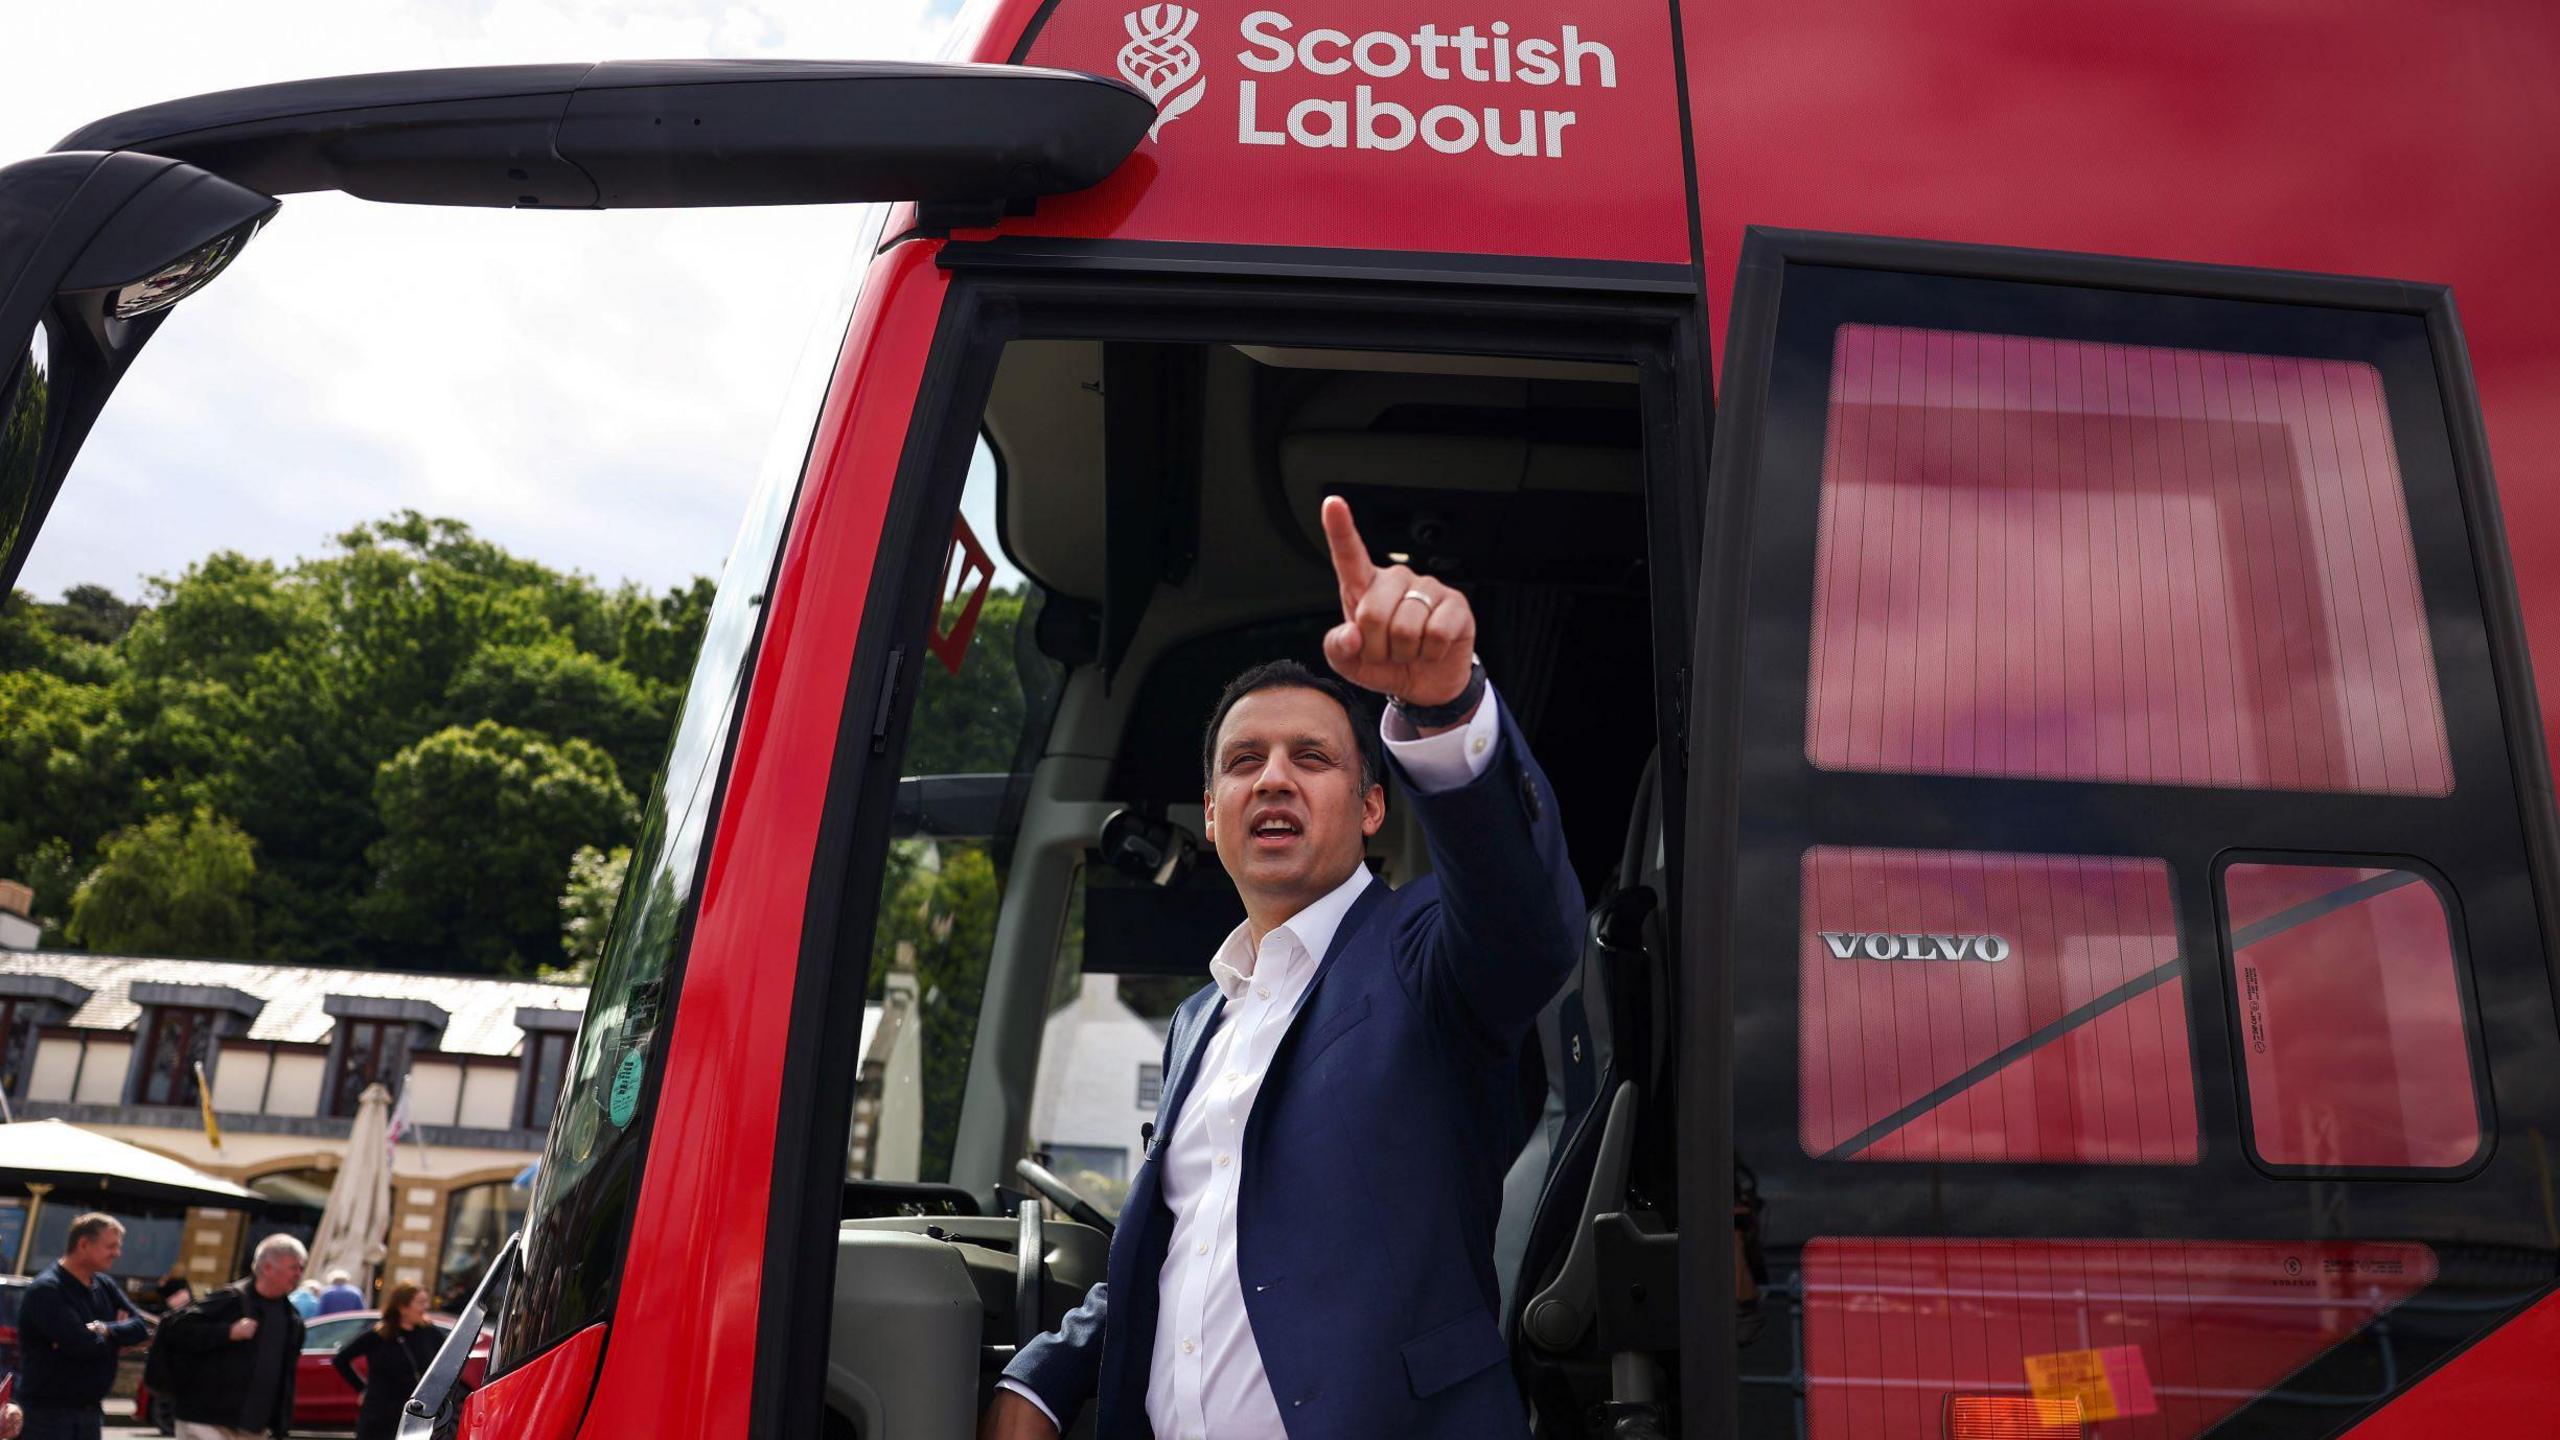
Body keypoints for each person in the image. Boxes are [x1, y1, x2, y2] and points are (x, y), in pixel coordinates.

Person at [987, 498, 1583, 1439]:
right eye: (1243, 762)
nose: (1273, 778)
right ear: (1215, 817)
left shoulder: (1425, 952)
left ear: (1374, 807)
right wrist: (1044, 1379)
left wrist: (1446, 709)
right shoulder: (1200, 1021)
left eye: (1312, 758)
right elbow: (1193, 1243)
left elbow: (1529, 927)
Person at [155, 1234, 307, 1440]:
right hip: (205, 1421)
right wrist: (228, 1332)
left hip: (253, 1428)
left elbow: (285, 1378)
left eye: (301, 1268)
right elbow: (177, 1330)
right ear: (267, 1267)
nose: (299, 1274)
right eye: (293, 1267)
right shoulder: (229, 1300)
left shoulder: (293, 1319)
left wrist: (281, 1426)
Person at [16, 1212, 153, 1440]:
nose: (117, 1254)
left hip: (90, 1414)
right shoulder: (48, 1289)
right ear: (83, 1244)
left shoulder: (105, 1284)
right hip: (47, 1416)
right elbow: (82, 1345)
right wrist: (118, 1340)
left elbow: (140, 1326)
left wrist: (106, 1330)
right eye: (110, 1246)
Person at [331, 1282, 441, 1440]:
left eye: (426, 1302)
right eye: (420, 1302)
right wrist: (361, 1388)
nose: (426, 1307)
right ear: (402, 1307)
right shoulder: (379, 1335)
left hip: (414, 1413)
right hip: (379, 1414)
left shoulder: (430, 1333)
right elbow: (340, 1360)